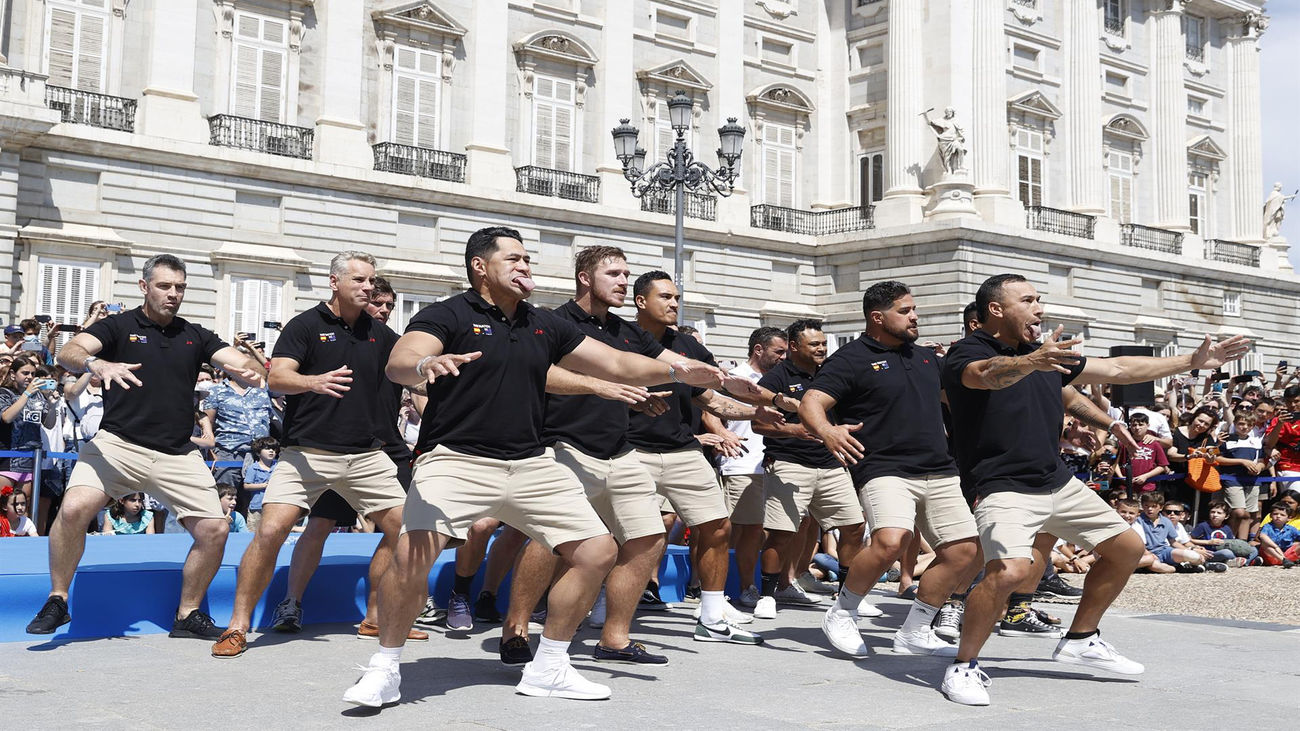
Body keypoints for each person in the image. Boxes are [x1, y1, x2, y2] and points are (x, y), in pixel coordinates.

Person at [342, 226, 751, 708]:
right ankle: (385, 669)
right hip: (457, 457)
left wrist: (678, 370)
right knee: (415, 552)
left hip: (531, 461)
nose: (524, 267)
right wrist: (423, 368)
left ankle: (551, 665)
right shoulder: (447, 313)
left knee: (597, 550)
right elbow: (401, 360)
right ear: (480, 267)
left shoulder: (543, 323)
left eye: (528, 260)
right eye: (514, 259)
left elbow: (617, 364)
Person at [936, 272, 1248, 706]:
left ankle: (1081, 638)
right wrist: (1033, 360)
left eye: (1039, 299)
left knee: (1126, 549)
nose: (1039, 308)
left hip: (1056, 480)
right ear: (996, 309)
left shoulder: (1045, 355)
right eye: (1028, 300)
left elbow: (1119, 368)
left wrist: (1192, 362)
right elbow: (986, 375)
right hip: (1002, 486)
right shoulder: (966, 352)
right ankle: (964, 665)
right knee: (1008, 572)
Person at [25, 255, 266, 637]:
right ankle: (58, 599)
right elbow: (70, 351)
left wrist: (248, 367)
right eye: (165, 286)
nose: (173, 294)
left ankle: (187, 615)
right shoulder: (119, 326)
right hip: (118, 446)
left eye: (180, 287)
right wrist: (96, 365)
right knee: (73, 509)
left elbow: (237, 362)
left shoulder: (195, 334)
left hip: (177, 452)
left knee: (215, 531)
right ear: (144, 286)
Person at [502, 245, 711, 667]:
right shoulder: (549, 323)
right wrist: (599, 387)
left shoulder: (628, 333)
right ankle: (517, 628)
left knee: (649, 539)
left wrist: (712, 381)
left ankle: (614, 638)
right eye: (613, 273)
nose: (622, 281)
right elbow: (535, 376)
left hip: (619, 450)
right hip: (562, 446)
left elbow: (668, 365)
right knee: (548, 539)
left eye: (625, 273)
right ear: (585, 277)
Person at [211, 252, 414, 658]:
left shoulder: (382, 335)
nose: (368, 287)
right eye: (359, 279)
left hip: (367, 457)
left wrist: (430, 366)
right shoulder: (305, 325)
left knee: (409, 534)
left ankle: (385, 617)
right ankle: (237, 626)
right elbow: (278, 379)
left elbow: (409, 370)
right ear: (334, 281)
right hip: (307, 454)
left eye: (371, 280)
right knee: (269, 533)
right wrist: (314, 381)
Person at [801, 281, 978, 657]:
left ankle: (916, 630)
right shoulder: (850, 358)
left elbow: (960, 396)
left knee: (964, 551)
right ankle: (842, 611)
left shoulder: (928, 358)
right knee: (890, 540)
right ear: (877, 317)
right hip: (884, 467)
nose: (914, 317)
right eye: (905, 311)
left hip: (940, 468)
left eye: (914, 310)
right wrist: (827, 430)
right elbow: (812, 401)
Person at [627, 270, 790, 642]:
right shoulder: (620, 339)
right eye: (665, 297)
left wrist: (757, 411)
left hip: (683, 451)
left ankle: (712, 616)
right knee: (630, 535)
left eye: (676, 298)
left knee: (718, 527)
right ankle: (601, 603)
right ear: (641, 302)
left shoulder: (691, 348)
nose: (673, 304)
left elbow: (712, 398)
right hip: (630, 449)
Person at [267, 275, 427, 637]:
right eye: (377, 303)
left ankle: (377, 614)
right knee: (319, 526)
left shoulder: (390, 343)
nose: (383, 309)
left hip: (386, 449)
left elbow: (418, 384)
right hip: (333, 447)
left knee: (398, 530)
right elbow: (279, 376)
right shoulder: (331, 334)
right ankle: (290, 603)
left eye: (388, 305)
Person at [751, 320, 868, 622]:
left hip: (831, 463)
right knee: (780, 534)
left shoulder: (831, 372)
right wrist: (795, 431)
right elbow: (758, 424)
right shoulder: (776, 377)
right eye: (814, 344)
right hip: (790, 463)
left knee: (854, 527)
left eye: (823, 343)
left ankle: (848, 597)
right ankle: (767, 595)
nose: (821, 349)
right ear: (793, 347)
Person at [720, 326, 787, 609]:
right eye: (778, 351)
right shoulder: (737, 379)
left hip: (769, 464)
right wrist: (724, 436)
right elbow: (712, 410)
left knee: (755, 530)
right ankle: (715, 588)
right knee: (728, 531)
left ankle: (747, 585)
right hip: (742, 462)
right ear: (758, 349)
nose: (784, 357)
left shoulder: (776, 381)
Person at [0, 357, 59, 532]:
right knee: (3, 504)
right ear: (12, 374)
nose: (29, 377)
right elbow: (6, 417)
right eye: (25, 373)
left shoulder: (39, 395)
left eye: (33, 374)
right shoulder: (4, 393)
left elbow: (48, 424)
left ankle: (20, 544)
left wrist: (52, 404)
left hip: (30, 459)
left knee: (20, 508)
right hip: (8, 457)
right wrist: (26, 394)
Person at [1218, 412, 1266, 540]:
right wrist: (1241, 461)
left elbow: (1261, 461)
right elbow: (1218, 459)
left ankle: (1242, 542)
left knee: (1247, 514)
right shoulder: (1227, 440)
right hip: (1232, 479)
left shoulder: (1256, 441)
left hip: (1252, 480)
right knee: (1238, 511)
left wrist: (1258, 468)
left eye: (1249, 425)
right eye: (1241, 424)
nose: (1245, 427)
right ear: (1235, 424)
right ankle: (1229, 539)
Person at [1113, 413, 1169, 492]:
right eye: (1134, 425)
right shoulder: (1124, 443)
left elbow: (1162, 466)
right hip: (1126, 487)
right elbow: (1115, 463)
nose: (1137, 428)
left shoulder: (1154, 444)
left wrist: (1145, 476)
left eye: (1141, 425)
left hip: (1147, 487)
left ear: (1148, 425)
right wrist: (1121, 477)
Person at [1189, 500, 1255, 566]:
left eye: (1219, 513)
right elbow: (1189, 539)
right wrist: (1208, 542)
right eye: (1212, 512)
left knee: (1253, 549)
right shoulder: (1203, 526)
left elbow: (1230, 542)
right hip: (1210, 553)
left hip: (1225, 551)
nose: (1215, 515)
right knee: (1227, 553)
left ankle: (1242, 562)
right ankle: (1238, 561)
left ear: (1226, 516)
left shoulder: (1227, 528)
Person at [239, 437, 278, 532]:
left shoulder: (278, 467)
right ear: (258, 452)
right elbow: (247, 485)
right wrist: (264, 485)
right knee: (253, 532)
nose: (271, 451)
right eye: (267, 448)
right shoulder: (253, 468)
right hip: (256, 507)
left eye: (273, 449)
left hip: (274, 506)